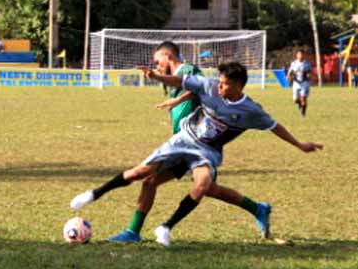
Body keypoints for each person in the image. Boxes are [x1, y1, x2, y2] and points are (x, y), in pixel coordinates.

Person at [70, 59, 323, 245]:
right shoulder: (209, 85)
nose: (219, 87)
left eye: (225, 84)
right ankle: (98, 199)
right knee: (144, 174)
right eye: (220, 82)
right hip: (183, 139)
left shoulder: (251, 110)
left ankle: (166, 227)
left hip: (207, 153)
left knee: (203, 185)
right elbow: (180, 81)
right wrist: (158, 78)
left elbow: (274, 126)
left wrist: (300, 145)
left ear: (239, 86)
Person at [142, 41, 201, 134]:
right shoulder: (172, 76)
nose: (157, 67)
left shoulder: (188, 69)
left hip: (193, 132)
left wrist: (178, 100)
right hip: (181, 131)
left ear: (168, 56)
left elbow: (199, 88)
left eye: (157, 62)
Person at [287, 48, 313, 117]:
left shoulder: (307, 64)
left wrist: (309, 75)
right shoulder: (294, 63)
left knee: (303, 98)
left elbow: (310, 72)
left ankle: (303, 113)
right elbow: (290, 72)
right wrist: (289, 77)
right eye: (299, 54)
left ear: (304, 55)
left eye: (302, 54)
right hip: (296, 82)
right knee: (295, 100)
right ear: (297, 55)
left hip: (305, 82)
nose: (300, 55)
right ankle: (300, 104)